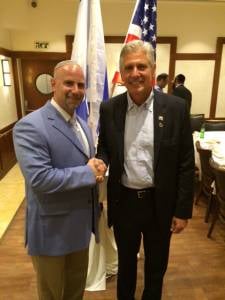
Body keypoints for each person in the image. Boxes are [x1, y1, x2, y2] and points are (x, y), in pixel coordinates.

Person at [96, 40, 195, 300]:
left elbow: (186, 161)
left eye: (141, 66)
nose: (135, 73)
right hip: (125, 202)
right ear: (122, 73)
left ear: (153, 69)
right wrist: (101, 160)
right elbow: (104, 146)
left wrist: (182, 210)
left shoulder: (176, 109)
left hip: (159, 204)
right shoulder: (109, 109)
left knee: (156, 268)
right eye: (129, 67)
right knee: (125, 267)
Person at [13, 60, 106, 300]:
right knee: (52, 295)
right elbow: (40, 179)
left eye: (81, 85)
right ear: (54, 84)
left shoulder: (83, 126)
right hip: (51, 232)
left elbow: (85, 164)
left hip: (81, 228)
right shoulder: (30, 126)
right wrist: (88, 172)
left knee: (75, 293)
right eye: (69, 83)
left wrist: (96, 166)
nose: (76, 90)